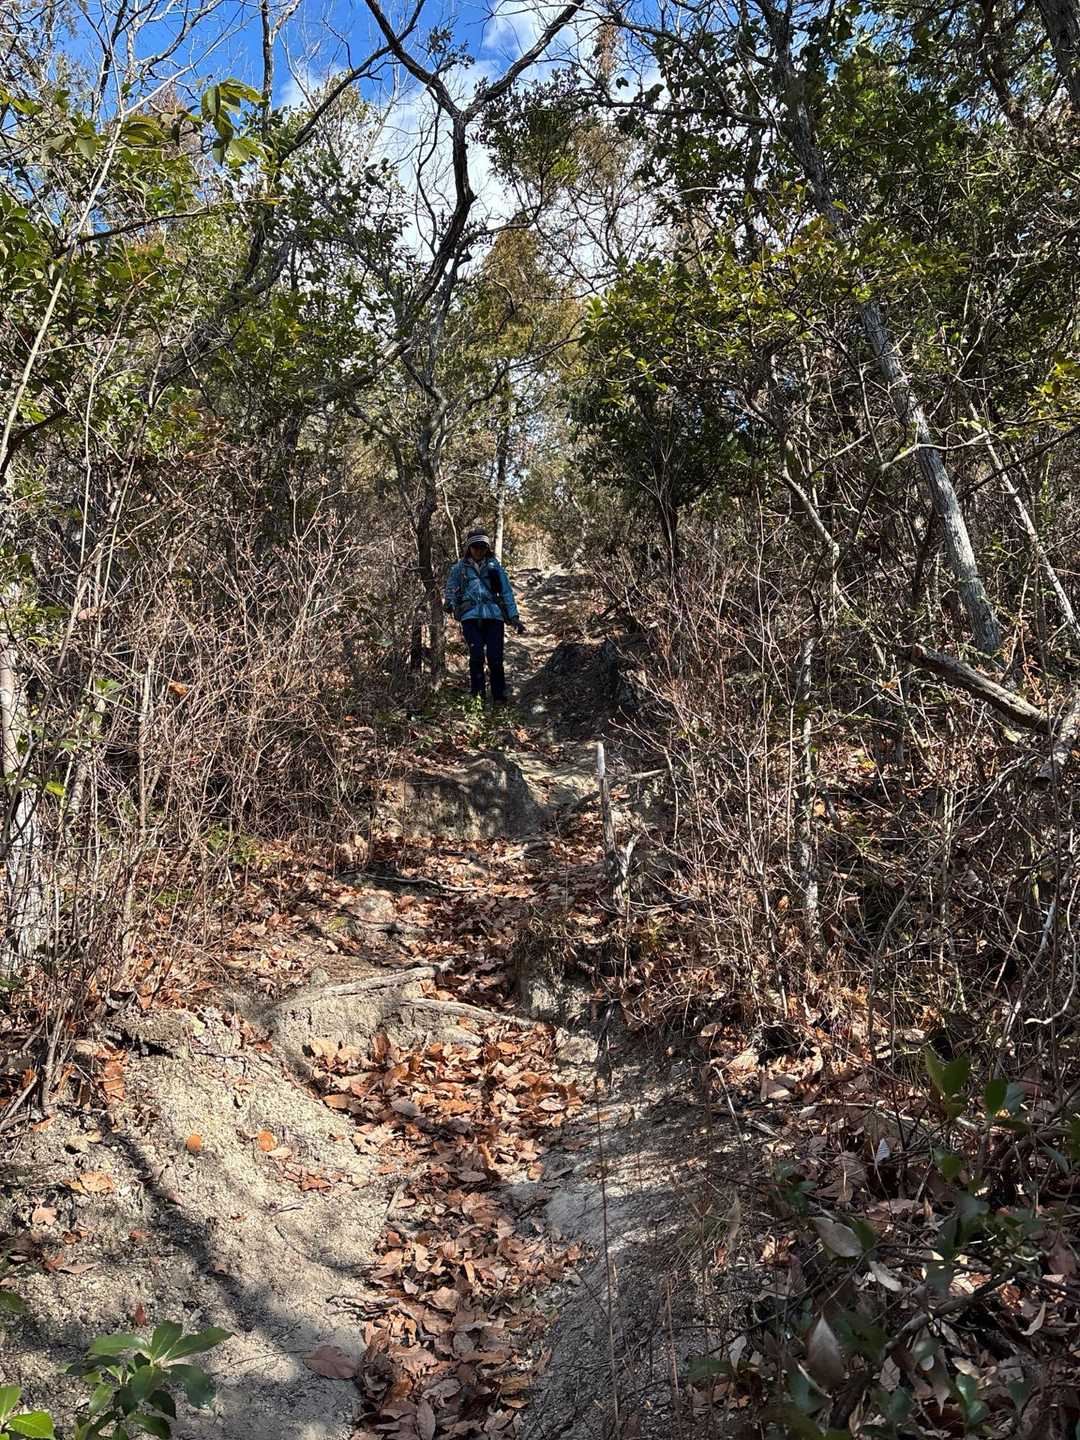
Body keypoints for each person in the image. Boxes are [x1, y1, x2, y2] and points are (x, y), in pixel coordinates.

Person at [444, 529, 525, 704]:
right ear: (469, 548)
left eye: (482, 547)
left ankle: (499, 697)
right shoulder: (459, 569)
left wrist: (514, 616)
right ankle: (478, 697)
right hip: (470, 616)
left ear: (487, 548)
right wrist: (449, 603)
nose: (479, 550)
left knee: (495, 658)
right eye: (475, 547)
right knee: (477, 655)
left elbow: (506, 592)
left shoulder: (495, 567)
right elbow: (451, 588)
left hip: (494, 616)